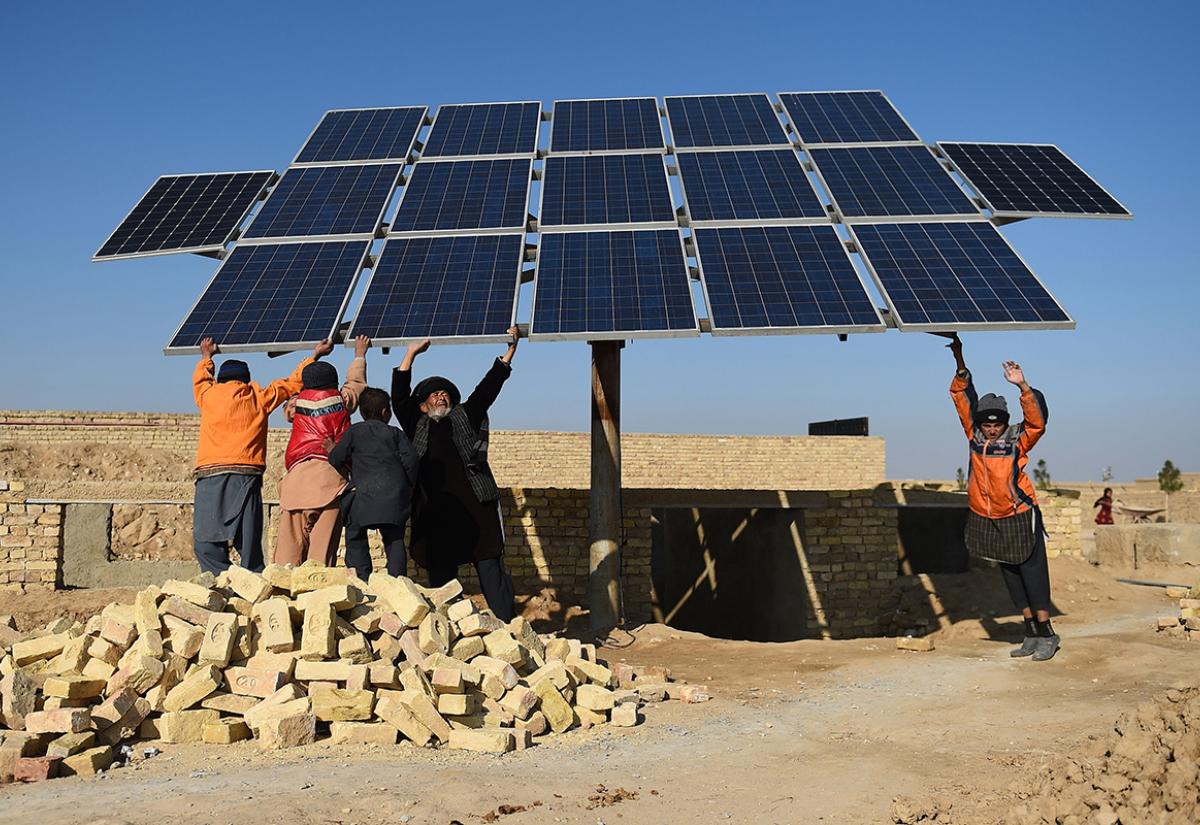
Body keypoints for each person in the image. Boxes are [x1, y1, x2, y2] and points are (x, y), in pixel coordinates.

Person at [391, 327, 520, 621]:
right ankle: (448, 630)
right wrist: (410, 353)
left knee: (490, 567)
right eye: (434, 394)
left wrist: (510, 351)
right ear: (422, 405)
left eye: (445, 393)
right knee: (441, 579)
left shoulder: (465, 416)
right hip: (434, 511)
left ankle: (509, 626)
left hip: (476, 509)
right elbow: (399, 397)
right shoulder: (415, 424)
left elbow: (487, 389)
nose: (441, 396)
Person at [946, 333, 1059, 661]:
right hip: (987, 517)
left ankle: (1047, 633)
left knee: (1032, 572)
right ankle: (1029, 632)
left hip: (1019, 513)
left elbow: (1038, 423)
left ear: (1005, 422)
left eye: (997, 422)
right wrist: (959, 359)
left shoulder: (1016, 439)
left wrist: (1023, 386)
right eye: (986, 422)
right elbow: (961, 395)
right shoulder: (974, 437)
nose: (992, 427)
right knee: (1009, 573)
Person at [191, 336, 331, 575]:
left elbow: (201, 380)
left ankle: (221, 578)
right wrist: (314, 354)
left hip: (210, 473)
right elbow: (292, 383)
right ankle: (251, 578)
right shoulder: (259, 397)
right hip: (246, 474)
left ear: (220, 380)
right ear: (246, 380)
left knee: (205, 538)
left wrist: (206, 357)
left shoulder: (208, 396)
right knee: (248, 538)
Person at [275, 336, 370, 566]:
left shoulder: (294, 406)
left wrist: (314, 354)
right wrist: (360, 354)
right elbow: (356, 384)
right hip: (330, 481)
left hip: (296, 482)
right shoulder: (341, 399)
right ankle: (317, 597)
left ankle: (283, 595)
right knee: (321, 553)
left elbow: (292, 386)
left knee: (288, 555)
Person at [327, 387, 418, 580]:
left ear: (362, 412)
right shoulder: (396, 433)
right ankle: (398, 583)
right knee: (394, 541)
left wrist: (331, 449)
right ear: (386, 412)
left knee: (355, 535)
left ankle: (362, 580)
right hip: (394, 498)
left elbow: (336, 458)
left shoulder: (355, 432)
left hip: (363, 498)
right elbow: (411, 461)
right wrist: (407, 487)